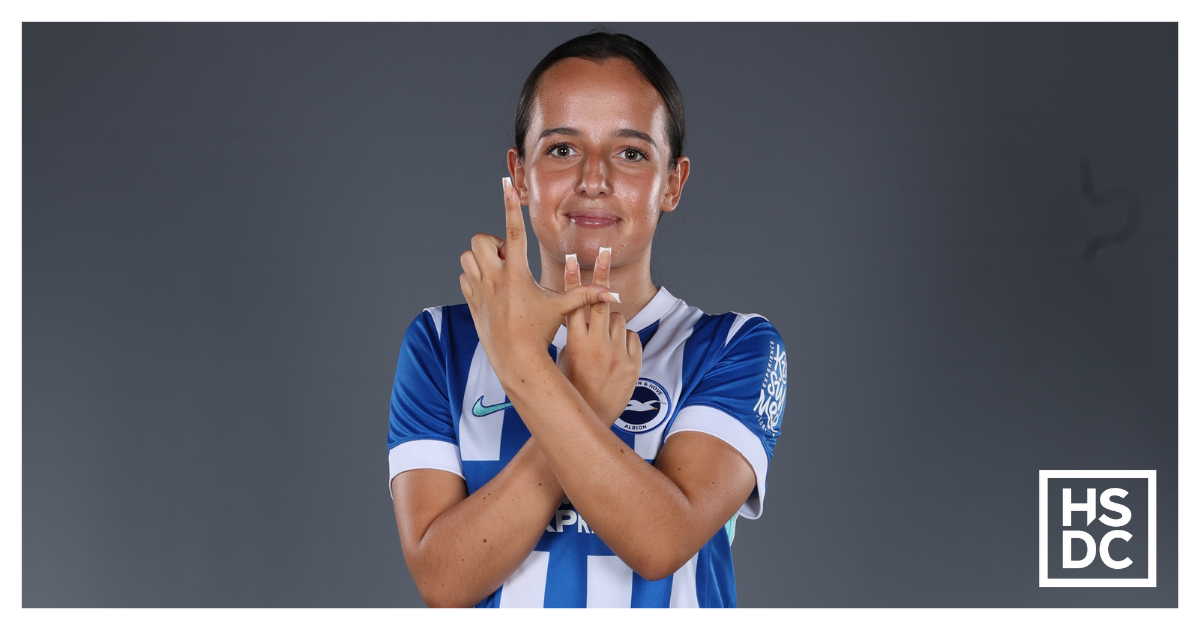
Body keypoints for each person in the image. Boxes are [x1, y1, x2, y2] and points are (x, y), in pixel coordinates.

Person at [386, 32, 787, 608]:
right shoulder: (440, 340)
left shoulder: (734, 347)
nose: (594, 179)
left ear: (672, 182)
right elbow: (443, 580)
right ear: (519, 173)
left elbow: (660, 541)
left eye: (630, 153)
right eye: (562, 149)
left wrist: (525, 366)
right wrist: (583, 399)